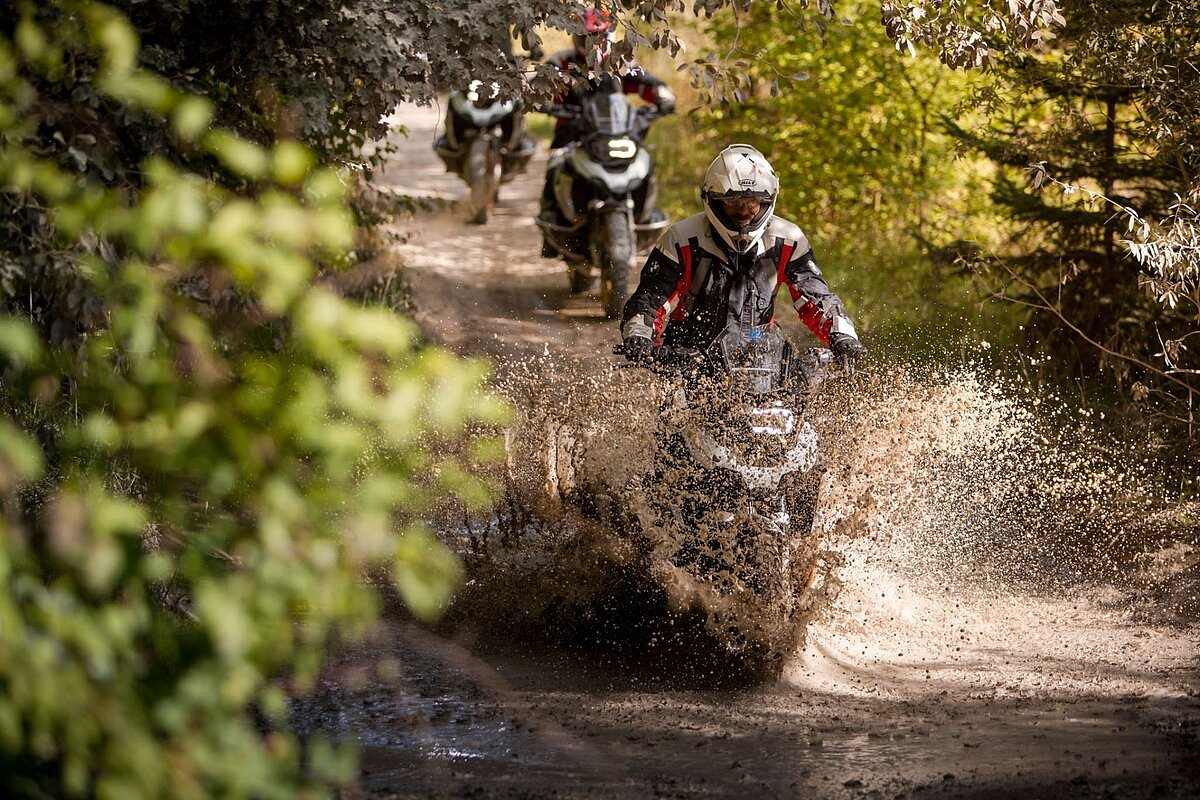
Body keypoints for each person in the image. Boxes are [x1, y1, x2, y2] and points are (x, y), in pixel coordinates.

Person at [620, 143, 868, 368]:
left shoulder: (788, 239)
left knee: (796, 403)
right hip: (689, 354)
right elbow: (649, 299)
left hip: (759, 350)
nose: (744, 211)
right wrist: (639, 335)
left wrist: (843, 335)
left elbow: (815, 297)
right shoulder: (682, 239)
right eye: (733, 202)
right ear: (713, 200)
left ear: (767, 201)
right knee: (677, 413)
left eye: (753, 202)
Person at [538, 7, 675, 241]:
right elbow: (539, 83)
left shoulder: (619, 62)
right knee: (555, 165)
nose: (593, 43)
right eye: (586, 37)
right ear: (575, 36)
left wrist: (663, 95)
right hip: (572, 135)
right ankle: (552, 223)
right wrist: (540, 99)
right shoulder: (562, 61)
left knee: (644, 162)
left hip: (615, 133)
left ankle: (646, 211)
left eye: (598, 37)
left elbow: (646, 82)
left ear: (609, 36)